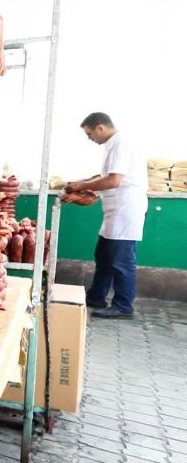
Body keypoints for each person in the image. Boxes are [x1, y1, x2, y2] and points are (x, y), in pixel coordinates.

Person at [66, 112, 148, 319]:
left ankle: (123, 305)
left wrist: (83, 186)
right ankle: (97, 296)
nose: (90, 138)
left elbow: (113, 181)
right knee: (103, 256)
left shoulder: (121, 144)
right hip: (114, 210)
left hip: (126, 209)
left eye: (89, 133)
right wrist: (82, 183)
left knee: (121, 260)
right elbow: (104, 177)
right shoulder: (112, 145)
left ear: (100, 128)